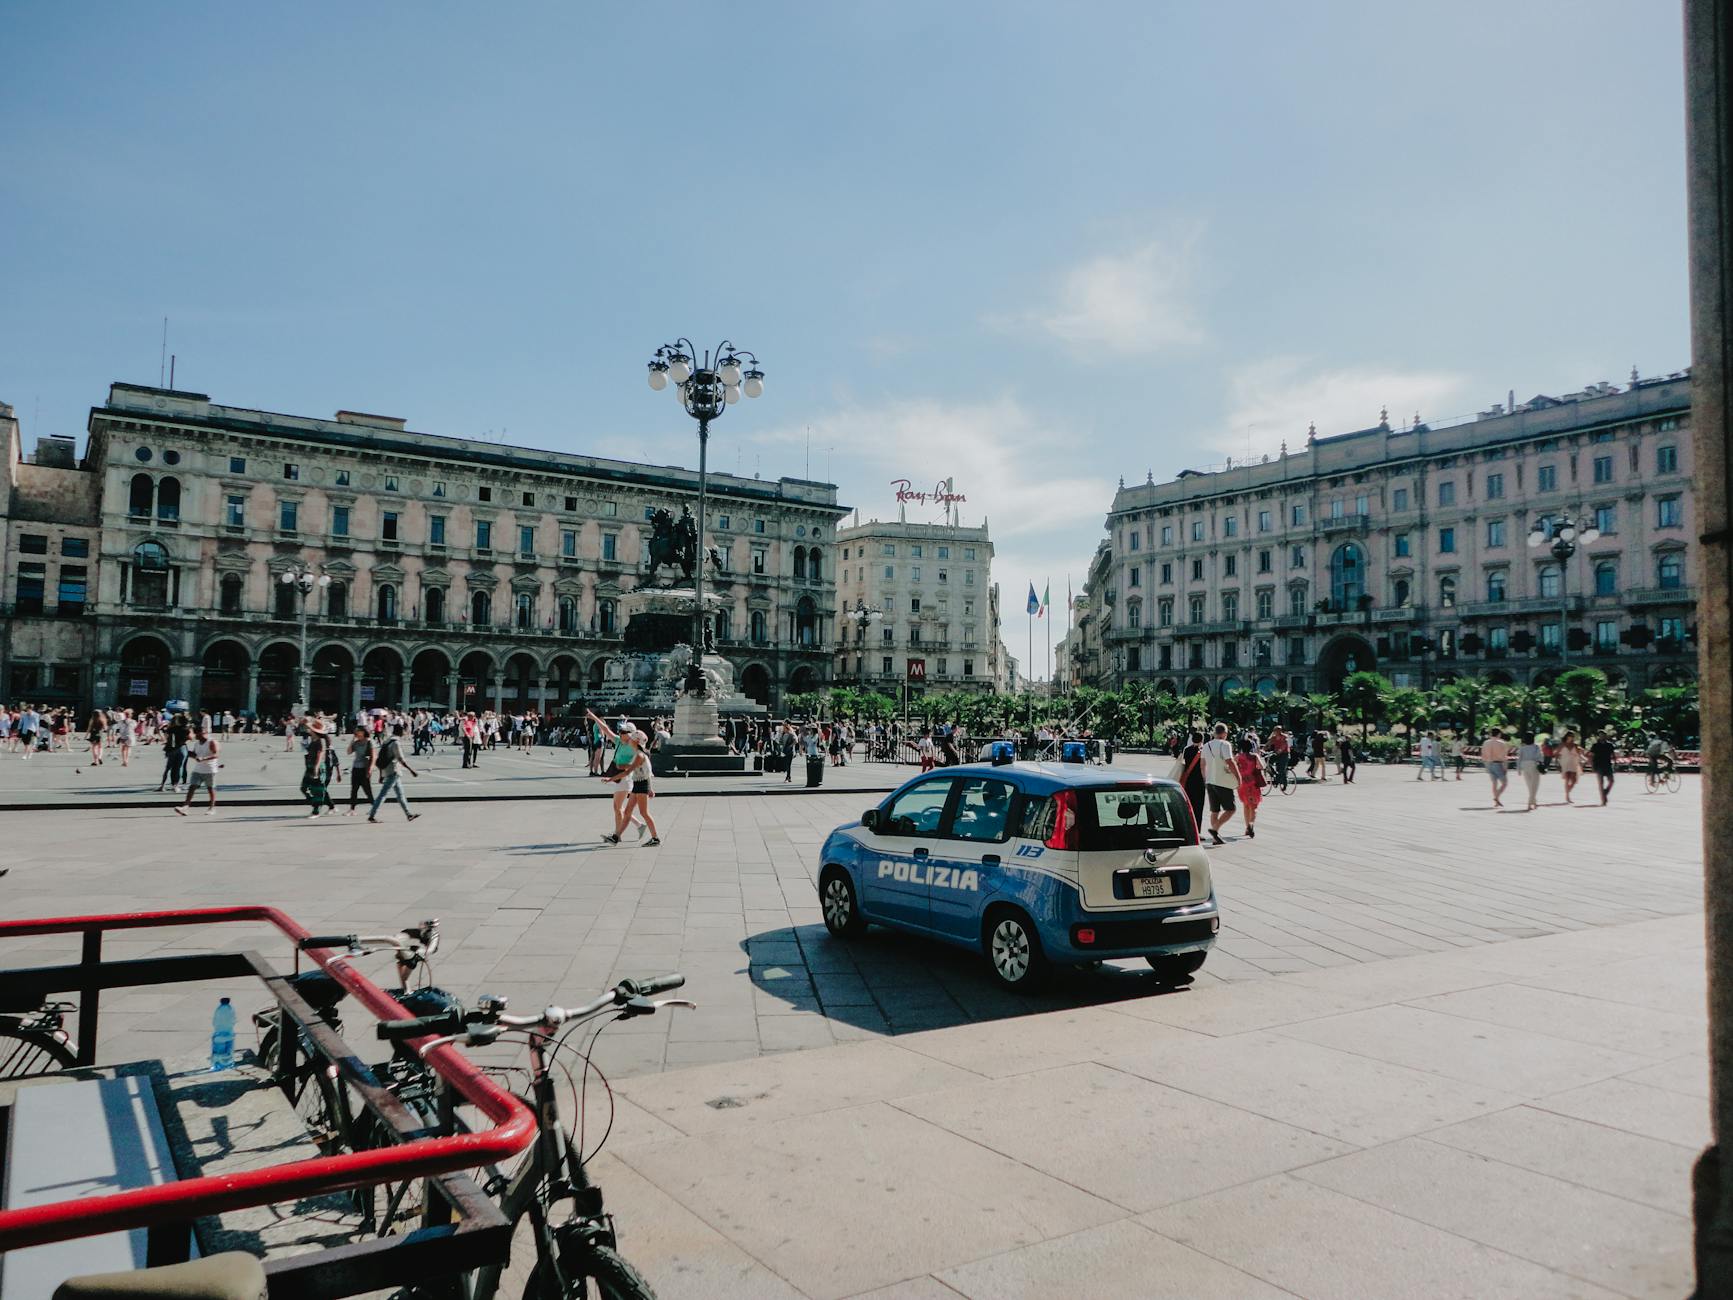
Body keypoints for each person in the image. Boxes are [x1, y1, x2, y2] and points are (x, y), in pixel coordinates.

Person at [601, 722, 659, 846]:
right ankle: (616, 837)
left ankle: (655, 838)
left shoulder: (639, 755)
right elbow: (644, 771)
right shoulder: (638, 754)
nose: (630, 740)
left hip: (641, 785)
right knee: (627, 812)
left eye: (632, 739)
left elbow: (628, 771)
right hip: (638, 784)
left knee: (644, 813)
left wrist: (610, 779)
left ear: (636, 742)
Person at [368, 723, 422, 822]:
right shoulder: (396, 743)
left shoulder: (387, 740)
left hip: (388, 770)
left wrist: (381, 774)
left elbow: (381, 758)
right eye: (403, 731)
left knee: (400, 794)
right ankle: (372, 815)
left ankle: (408, 814)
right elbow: (400, 758)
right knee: (383, 794)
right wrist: (411, 770)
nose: (404, 733)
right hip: (393, 771)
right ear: (400, 731)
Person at [1201, 723, 1238, 846]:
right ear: (1225, 733)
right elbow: (1230, 761)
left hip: (1210, 781)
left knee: (1215, 810)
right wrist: (1238, 777)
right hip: (1222, 782)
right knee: (1231, 809)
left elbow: (1202, 765)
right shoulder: (1225, 744)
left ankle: (1216, 837)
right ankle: (1215, 829)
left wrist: (1205, 778)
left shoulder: (1206, 745)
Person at [175, 724, 221, 816]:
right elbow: (196, 754)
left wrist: (203, 758)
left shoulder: (211, 742)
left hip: (209, 769)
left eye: (197, 734)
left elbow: (216, 755)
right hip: (198, 769)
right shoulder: (197, 743)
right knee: (192, 787)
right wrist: (186, 751)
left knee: (210, 789)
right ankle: (185, 807)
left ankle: (212, 808)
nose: (196, 736)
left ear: (203, 733)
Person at [1233, 735, 1267, 839]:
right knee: (1254, 806)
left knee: (1246, 805)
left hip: (1242, 784)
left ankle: (1247, 828)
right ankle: (1251, 824)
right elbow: (1262, 766)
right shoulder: (1255, 756)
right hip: (1253, 783)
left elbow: (1230, 767)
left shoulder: (1238, 757)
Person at [1176, 729, 1207, 831]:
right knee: (1198, 806)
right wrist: (1205, 780)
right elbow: (1203, 767)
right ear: (1202, 740)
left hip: (1188, 780)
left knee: (1189, 805)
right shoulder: (1203, 751)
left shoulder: (1187, 749)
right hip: (1198, 781)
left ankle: (1187, 827)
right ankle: (1197, 830)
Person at [346, 723, 376, 815]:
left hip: (365, 769)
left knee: (367, 790)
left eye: (359, 731)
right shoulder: (356, 742)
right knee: (354, 789)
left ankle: (374, 807)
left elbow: (374, 756)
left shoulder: (369, 742)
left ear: (364, 732)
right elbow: (349, 752)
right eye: (356, 732)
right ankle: (352, 809)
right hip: (356, 768)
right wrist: (352, 740)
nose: (357, 733)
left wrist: (370, 769)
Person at [1481, 728, 1512, 807]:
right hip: (1498, 763)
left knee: (1494, 783)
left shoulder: (1486, 742)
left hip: (1488, 763)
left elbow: (1483, 754)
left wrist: (1485, 764)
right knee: (1504, 783)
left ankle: (1496, 802)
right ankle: (1496, 797)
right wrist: (1505, 768)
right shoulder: (1502, 743)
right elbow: (1504, 756)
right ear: (1499, 734)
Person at [1516, 732, 1544, 810]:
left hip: (1524, 766)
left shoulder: (1522, 747)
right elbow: (1539, 757)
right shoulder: (1536, 747)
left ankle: (1534, 802)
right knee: (1534, 785)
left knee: (1529, 785)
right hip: (1533, 765)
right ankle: (1530, 803)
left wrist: (1518, 769)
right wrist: (1542, 764)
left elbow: (1519, 758)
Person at [1590, 730, 1618, 805]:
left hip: (1608, 765)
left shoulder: (1609, 745)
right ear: (1599, 736)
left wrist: (1615, 763)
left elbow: (1613, 755)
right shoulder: (1595, 745)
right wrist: (1592, 765)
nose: (1602, 737)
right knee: (1601, 783)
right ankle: (1603, 799)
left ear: (1606, 736)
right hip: (1598, 765)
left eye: (1603, 735)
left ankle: (1605, 792)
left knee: (1611, 781)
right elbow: (1591, 756)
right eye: (1600, 735)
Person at [1556, 731, 1585, 803]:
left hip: (1573, 763)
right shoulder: (1562, 745)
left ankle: (1567, 792)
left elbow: (1580, 753)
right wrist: (1557, 762)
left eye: (1573, 736)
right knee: (1567, 779)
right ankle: (1567, 796)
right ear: (1567, 736)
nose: (1572, 737)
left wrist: (1581, 754)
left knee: (1574, 780)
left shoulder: (1575, 745)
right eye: (1570, 736)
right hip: (1565, 763)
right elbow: (1556, 753)